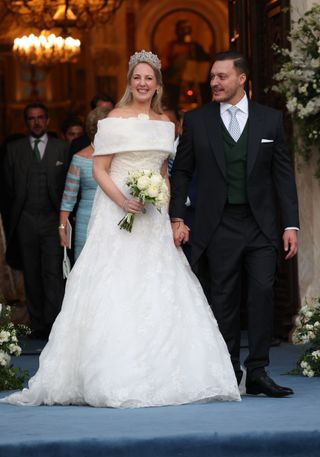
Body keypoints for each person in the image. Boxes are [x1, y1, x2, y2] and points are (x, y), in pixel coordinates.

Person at [0, 50, 239, 408]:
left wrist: (169, 210)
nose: (142, 83)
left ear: (158, 84)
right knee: (116, 285)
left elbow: (162, 172)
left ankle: (168, 374)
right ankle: (112, 373)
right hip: (117, 215)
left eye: (149, 78)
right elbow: (100, 169)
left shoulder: (165, 123)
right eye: (137, 78)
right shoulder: (113, 119)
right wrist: (123, 201)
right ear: (129, 82)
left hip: (153, 218)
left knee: (161, 285)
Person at [170, 51, 299, 397]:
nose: (214, 82)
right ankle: (227, 371)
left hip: (261, 225)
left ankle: (257, 371)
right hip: (219, 223)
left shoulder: (270, 120)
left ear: (241, 79)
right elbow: (181, 171)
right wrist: (177, 215)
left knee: (261, 295)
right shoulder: (196, 120)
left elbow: (282, 175)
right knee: (224, 299)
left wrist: (291, 225)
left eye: (221, 76)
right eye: (212, 76)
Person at [3, 102, 70, 339]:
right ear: (26, 122)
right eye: (31, 118)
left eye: (41, 117)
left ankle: (55, 324)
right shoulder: (14, 149)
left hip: (53, 219)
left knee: (52, 273)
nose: (37, 122)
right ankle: (38, 325)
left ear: (48, 120)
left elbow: (69, 186)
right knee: (31, 273)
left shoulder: (62, 148)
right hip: (26, 220)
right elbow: (8, 188)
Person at [59, 106, 110, 260]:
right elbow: (68, 198)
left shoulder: (120, 157)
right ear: (95, 130)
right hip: (86, 221)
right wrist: (62, 227)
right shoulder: (79, 158)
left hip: (114, 220)